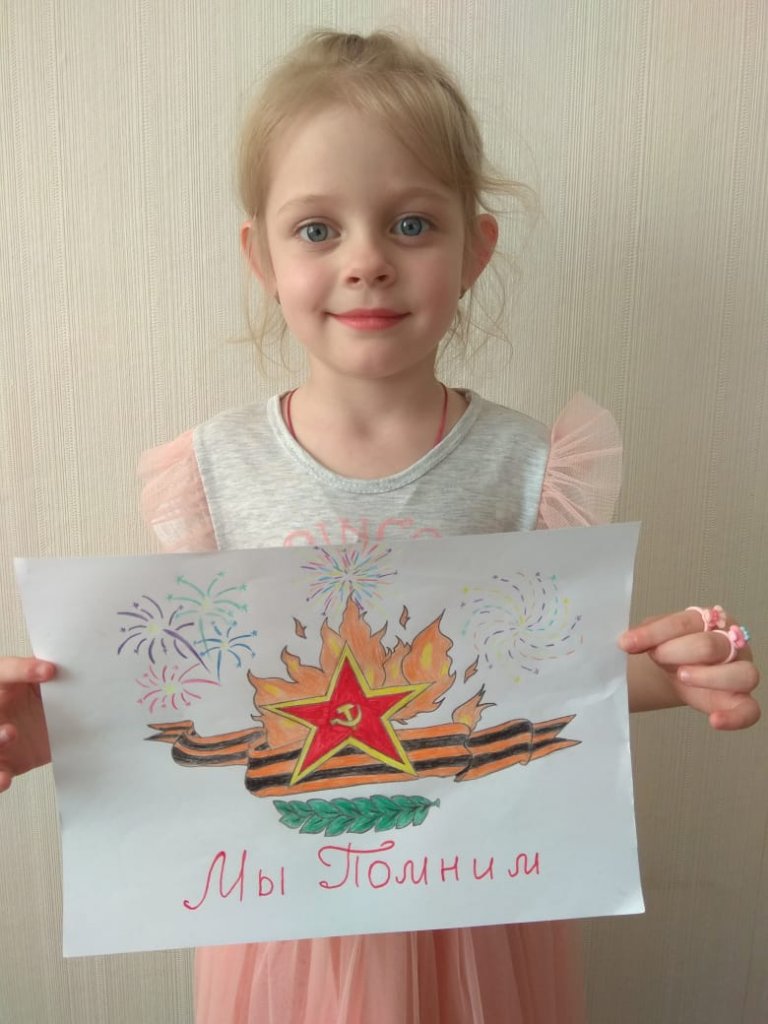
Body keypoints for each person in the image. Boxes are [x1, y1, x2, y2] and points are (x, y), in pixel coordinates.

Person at [0, 29, 760, 1024]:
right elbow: (194, 694)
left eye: (410, 224)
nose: (366, 262)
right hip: (281, 912)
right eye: (318, 229)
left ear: (475, 247)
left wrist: (680, 672)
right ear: (262, 256)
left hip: (478, 904)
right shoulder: (210, 474)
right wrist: (53, 727)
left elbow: (545, 682)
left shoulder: (533, 468)